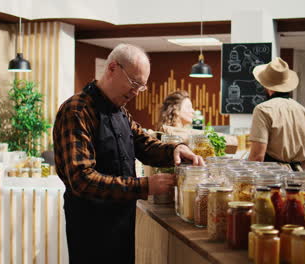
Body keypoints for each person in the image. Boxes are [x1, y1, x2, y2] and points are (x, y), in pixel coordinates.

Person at [53, 43, 204, 264]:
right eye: (134, 83)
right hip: (90, 227)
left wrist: (175, 149)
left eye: (141, 87)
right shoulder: (77, 110)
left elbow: (143, 143)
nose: (135, 92)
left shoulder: (120, 110)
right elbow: (81, 179)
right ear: (112, 68)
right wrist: (145, 186)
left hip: (121, 221)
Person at [248, 57, 305, 171]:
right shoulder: (302, 110)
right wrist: (292, 173)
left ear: (267, 86)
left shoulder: (263, 109)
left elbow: (257, 156)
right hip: (297, 177)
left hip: (271, 179)